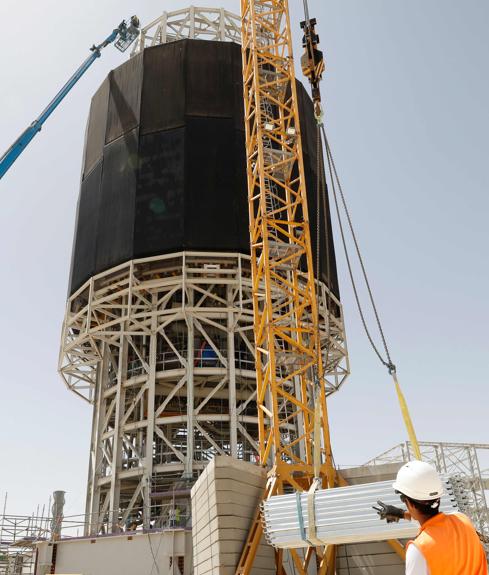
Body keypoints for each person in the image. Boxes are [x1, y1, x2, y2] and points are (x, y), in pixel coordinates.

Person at [373, 460, 487, 575]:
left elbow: (432, 531)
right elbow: (436, 527)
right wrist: (402, 514)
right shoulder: (462, 519)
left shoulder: (419, 550)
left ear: (410, 503)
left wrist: (402, 514)